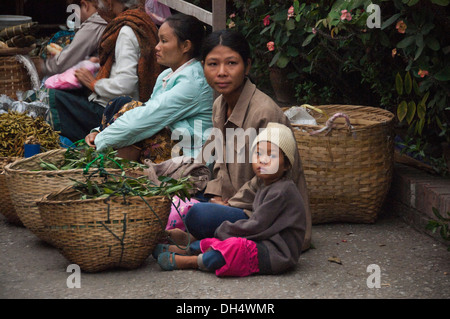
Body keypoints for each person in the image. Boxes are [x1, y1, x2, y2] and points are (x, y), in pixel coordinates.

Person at [166, 29, 312, 252]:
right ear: (203, 66)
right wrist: (214, 192)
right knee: (172, 199)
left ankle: (197, 241)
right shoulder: (219, 105)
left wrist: (229, 204)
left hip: (265, 212)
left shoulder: (265, 112)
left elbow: (271, 175)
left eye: (231, 63)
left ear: (248, 66)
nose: (222, 72)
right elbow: (219, 162)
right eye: (213, 64)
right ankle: (202, 238)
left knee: (197, 214)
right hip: (231, 201)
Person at [154, 123, 307, 276]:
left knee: (233, 247)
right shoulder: (264, 182)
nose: (263, 160)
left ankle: (192, 262)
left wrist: (224, 230)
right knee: (223, 241)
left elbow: (257, 226)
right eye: (258, 154)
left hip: (277, 252)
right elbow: (244, 201)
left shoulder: (282, 191)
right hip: (264, 240)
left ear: (286, 164)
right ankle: (187, 249)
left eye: (272, 155)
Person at [84, 13, 213, 162]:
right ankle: (110, 169)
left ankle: (110, 170)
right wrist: (99, 132)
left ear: (185, 46)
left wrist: (101, 139)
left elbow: (149, 116)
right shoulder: (168, 74)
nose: (157, 47)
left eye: (164, 41)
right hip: (176, 144)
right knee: (121, 104)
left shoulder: (193, 82)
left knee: (132, 113)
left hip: (192, 158)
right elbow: (148, 110)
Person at [48, 0, 161, 143]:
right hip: (122, 107)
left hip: (116, 114)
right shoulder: (140, 20)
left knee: (53, 96)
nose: (98, 11)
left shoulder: (127, 31)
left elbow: (125, 85)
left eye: (97, 5)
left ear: (109, 3)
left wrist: (94, 84)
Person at [36, 0, 107, 77]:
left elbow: (65, 62)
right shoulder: (107, 20)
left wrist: (44, 66)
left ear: (85, 5)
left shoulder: (93, 25)